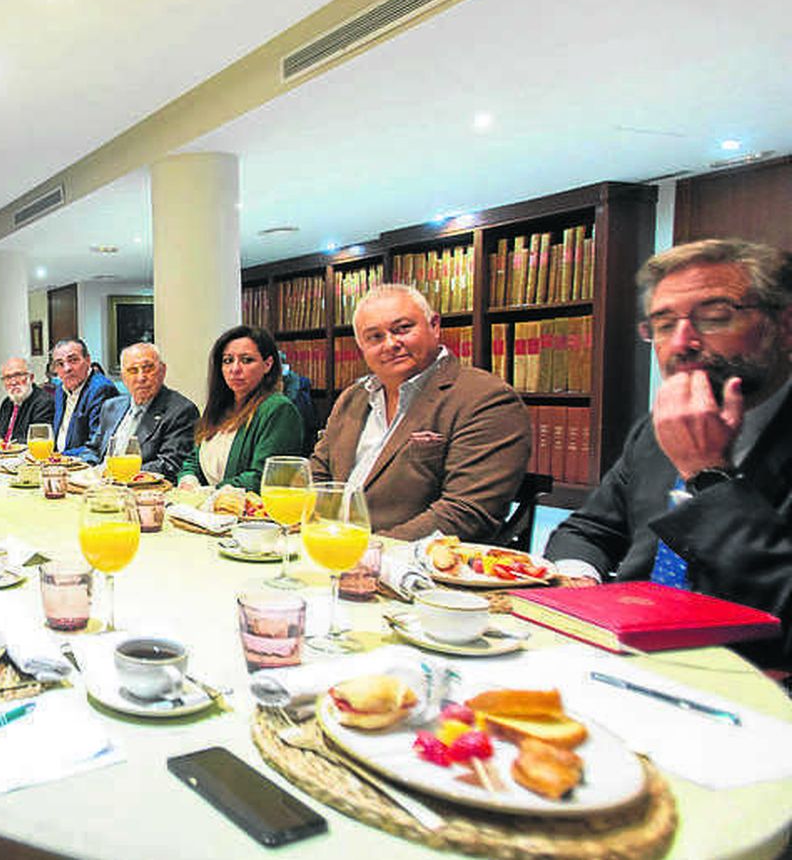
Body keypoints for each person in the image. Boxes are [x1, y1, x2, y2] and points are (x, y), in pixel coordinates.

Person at [545, 239, 792, 664]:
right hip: (627, 654)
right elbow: (587, 530)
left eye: (715, 317)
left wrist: (707, 475)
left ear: (784, 326)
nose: (681, 342)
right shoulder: (655, 430)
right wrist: (578, 578)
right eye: (662, 325)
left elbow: (781, 606)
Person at [310, 283, 530, 540]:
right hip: (327, 549)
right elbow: (319, 473)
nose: (390, 344)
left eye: (402, 329)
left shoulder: (486, 399)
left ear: (434, 326)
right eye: (375, 337)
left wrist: (371, 553)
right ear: (361, 347)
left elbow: (465, 513)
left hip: (410, 567)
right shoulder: (353, 398)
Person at [177, 326, 304, 490]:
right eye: (228, 360)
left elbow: (263, 478)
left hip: (247, 512)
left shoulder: (279, 409)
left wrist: (208, 493)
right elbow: (194, 459)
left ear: (267, 364)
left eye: (247, 360)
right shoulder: (220, 407)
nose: (235, 369)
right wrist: (188, 480)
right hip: (207, 511)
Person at [91, 342, 199, 478]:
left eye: (148, 369)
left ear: (162, 371)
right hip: (100, 487)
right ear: (123, 377)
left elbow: (170, 464)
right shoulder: (111, 407)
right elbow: (94, 449)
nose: (141, 378)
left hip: (142, 491)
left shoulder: (181, 411)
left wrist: (119, 473)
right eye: (132, 371)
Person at [49, 339, 120, 463]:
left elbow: (98, 446)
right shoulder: (61, 389)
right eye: (60, 364)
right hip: (60, 464)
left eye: (73, 360)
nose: (67, 369)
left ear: (88, 360)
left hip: (85, 467)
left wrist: (57, 457)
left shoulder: (101, 389)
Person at [0, 355, 54, 443]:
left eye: (18, 375)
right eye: (8, 378)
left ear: (31, 377)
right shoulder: (6, 403)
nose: (13, 382)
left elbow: (38, 440)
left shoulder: (44, 402)